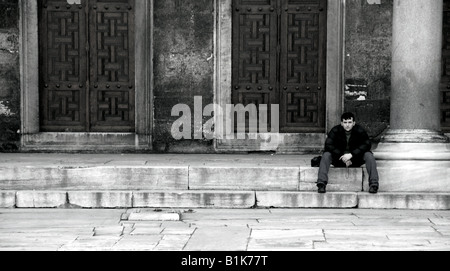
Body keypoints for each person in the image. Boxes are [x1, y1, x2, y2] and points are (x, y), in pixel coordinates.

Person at [317, 112, 379, 194]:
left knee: (369, 155)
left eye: (349, 122)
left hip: (355, 159)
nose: (347, 125)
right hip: (339, 159)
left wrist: (351, 155)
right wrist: (342, 156)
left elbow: (367, 144)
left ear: (354, 123)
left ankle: (374, 184)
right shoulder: (335, 130)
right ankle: (321, 184)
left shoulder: (360, 130)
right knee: (326, 155)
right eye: (345, 122)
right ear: (341, 123)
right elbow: (328, 145)